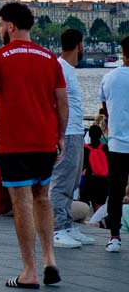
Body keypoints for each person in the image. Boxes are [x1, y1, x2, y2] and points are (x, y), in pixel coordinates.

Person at [0, 1, 67, 288]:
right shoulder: (49, 58)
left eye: (0, 25)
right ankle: (50, 259)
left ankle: (29, 271)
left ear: (10, 26)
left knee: (21, 204)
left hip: (14, 142)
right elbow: (61, 101)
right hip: (44, 140)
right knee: (42, 198)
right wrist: (60, 136)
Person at [52, 28, 90, 248]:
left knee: (73, 181)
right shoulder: (60, 69)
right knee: (62, 181)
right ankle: (57, 229)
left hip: (76, 131)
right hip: (67, 132)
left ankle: (67, 225)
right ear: (79, 45)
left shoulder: (68, 70)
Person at [99, 36, 129, 252]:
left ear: (123, 53)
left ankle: (114, 237)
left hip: (118, 143)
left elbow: (105, 107)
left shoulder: (109, 78)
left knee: (116, 191)